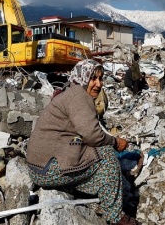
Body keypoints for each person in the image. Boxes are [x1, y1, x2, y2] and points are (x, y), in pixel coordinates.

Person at [26, 60, 139, 225]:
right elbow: (93, 135)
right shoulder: (79, 98)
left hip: (39, 167)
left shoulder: (72, 91)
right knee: (107, 156)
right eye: (93, 79)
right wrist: (115, 142)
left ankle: (83, 189)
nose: (98, 84)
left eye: (100, 79)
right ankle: (115, 217)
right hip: (46, 170)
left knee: (92, 153)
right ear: (83, 78)